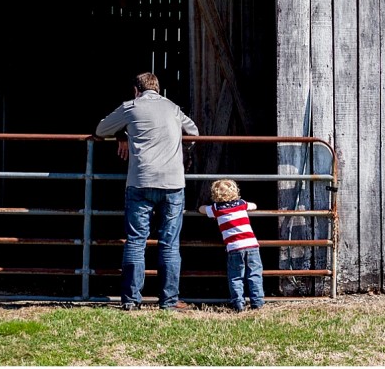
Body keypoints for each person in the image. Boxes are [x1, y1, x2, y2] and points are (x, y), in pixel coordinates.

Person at [95, 72, 199, 311]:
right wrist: (181, 146)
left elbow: (101, 130)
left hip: (140, 182)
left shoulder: (130, 107)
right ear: (158, 89)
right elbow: (193, 132)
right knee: (169, 244)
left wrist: (121, 134)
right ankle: (169, 301)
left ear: (136, 90)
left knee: (135, 242)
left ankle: (131, 301)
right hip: (172, 183)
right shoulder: (172, 108)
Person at [199, 179, 265, 312]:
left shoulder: (216, 208)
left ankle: (238, 304)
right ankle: (257, 303)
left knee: (236, 276)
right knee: (255, 274)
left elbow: (202, 210)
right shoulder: (241, 204)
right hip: (252, 245)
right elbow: (254, 205)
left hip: (234, 248)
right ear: (235, 191)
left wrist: (202, 206)